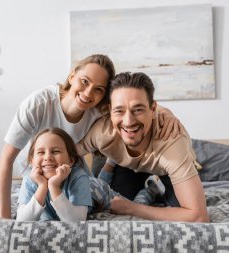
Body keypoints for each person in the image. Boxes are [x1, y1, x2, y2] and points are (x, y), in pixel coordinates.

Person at [0, 54, 181, 219]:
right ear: (72, 76)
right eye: (85, 81)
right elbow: (6, 161)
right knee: (43, 213)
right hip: (36, 173)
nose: (88, 93)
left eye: (98, 89)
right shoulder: (37, 105)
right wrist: (4, 222)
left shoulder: (98, 110)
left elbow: (134, 100)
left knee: (115, 202)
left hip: (72, 174)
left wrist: (167, 113)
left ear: (103, 97)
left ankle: (150, 191)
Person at [77, 72, 210, 222]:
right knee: (114, 203)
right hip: (127, 166)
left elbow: (199, 217)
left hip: (165, 169)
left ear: (153, 109)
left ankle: (156, 185)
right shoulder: (101, 132)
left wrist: (132, 208)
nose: (128, 121)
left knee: (178, 206)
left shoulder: (172, 141)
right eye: (119, 111)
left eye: (138, 109)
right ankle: (135, 178)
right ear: (110, 111)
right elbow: (68, 155)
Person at [16, 128, 162, 221]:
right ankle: (110, 162)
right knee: (96, 180)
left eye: (55, 151)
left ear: (71, 160)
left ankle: (151, 189)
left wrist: (53, 186)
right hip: (91, 184)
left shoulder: (78, 175)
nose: (47, 157)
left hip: (98, 192)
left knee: (134, 206)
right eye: (41, 152)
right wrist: (42, 186)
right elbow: (22, 220)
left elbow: (76, 220)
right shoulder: (30, 180)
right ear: (31, 160)